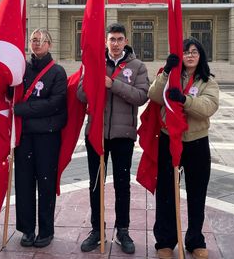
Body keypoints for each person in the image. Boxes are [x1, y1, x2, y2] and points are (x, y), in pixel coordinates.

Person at [78, 23, 149, 255]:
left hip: (123, 135)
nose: (116, 43)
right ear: (106, 42)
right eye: (112, 39)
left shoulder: (137, 67)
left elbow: (141, 96)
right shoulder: (94, 64)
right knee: (96, 183)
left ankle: (123, 230)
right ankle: (97, 230)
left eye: (120, 39)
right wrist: (93, 80)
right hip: (97, 133)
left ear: (126, 41)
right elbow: (80, 94)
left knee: (122, 185)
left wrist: (113, 85)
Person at [148, 37, 219, 259]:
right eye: (186, 52)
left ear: (201, 56)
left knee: (197, 193)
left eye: (194, 52)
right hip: (169, 139)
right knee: (167, 193)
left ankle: (195, 239)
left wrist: (185, 100)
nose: (189, 55)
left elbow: (208, 106)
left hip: (197, 142)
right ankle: (165, 241)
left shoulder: (208, 81)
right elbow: (154, 95)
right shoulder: (171, 77)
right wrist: (167, 72)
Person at [13, 29, 67, 248]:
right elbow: (12, 95)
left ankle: (46, 230)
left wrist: (23, 110)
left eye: (41, 40)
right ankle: (27, 229)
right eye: (34, 40)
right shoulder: (21, 70)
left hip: (47, 137)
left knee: (45, 184)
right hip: (24, 136)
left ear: (49, 45)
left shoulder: (57, 72)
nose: (36, 44)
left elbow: (55, 103)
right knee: (24, 184)